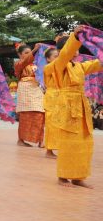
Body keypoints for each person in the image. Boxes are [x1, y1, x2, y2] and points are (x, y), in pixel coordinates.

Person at [44, 27, 102, 188]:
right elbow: (65, 55)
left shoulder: (79, 67)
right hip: (67, 106)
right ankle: (63, 176)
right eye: (73, 49)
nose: (76, 53)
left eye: (77, 49)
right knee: (69, 142)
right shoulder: (57, 66)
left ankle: (78, 176)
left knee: (84, 142)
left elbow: (97, 64)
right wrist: (75, 37)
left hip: (81, 106)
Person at [14, 44, 45, 147]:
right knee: (25, 115)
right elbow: (26, 61)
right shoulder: (18, 64)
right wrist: (35, 49)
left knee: (40, 113)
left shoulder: (36, 64)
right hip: (25, 89)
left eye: (29, 52)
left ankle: (41, 140)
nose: (28, 55)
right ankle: (21, 140)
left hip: (37, 89)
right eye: (26, 53)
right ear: (19, 54)